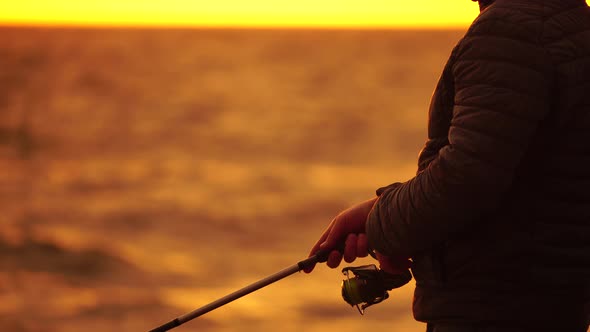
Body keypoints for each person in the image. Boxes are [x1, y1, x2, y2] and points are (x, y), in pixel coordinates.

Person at [305, 0, 590, 331]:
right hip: (554, 305)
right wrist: (382, 213)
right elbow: (507, 171)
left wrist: (381, 224)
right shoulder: (573, 23)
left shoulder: (512, 31)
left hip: (491, 309)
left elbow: (466, 178)